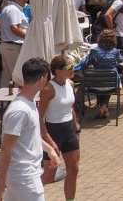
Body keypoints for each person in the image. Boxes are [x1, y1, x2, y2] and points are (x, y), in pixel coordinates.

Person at [0, 57, 61, 201]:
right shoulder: (20, 110)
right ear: (43, 79)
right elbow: (5, 148)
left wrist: (49, 149)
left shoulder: (29, 104)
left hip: (24, 176)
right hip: (25, 178)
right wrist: (0, 185)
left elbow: (31, 136)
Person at [39, 56, 81, 201]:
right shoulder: (48, 89)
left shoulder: (70, 83)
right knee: (49, 175)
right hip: (54, 132)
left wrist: (76, 127)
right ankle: (27, 194)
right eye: (69, 68)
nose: (73, 70)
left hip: (69, 131)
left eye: (73, 66)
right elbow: (39, 119)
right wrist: (50, 142)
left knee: (73, 170)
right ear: (58, 71)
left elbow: (70, 108)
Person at [81, 30, 122, 120]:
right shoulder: (115, 51)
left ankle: (103, 107)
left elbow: (86, 64)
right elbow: (121, 60)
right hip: (112, 84)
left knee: (99, 82)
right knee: (109, 84)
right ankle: (104, 106)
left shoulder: (94, 51)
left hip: (96, 83)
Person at [0, 0, 29, 87]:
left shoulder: (10, 8)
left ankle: (3, 99)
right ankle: (16, 98)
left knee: (7, 75)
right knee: (17, 76)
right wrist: (29, 37)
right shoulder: (13, 9)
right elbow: (14, 28)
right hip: (13, 46)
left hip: (9, 45)